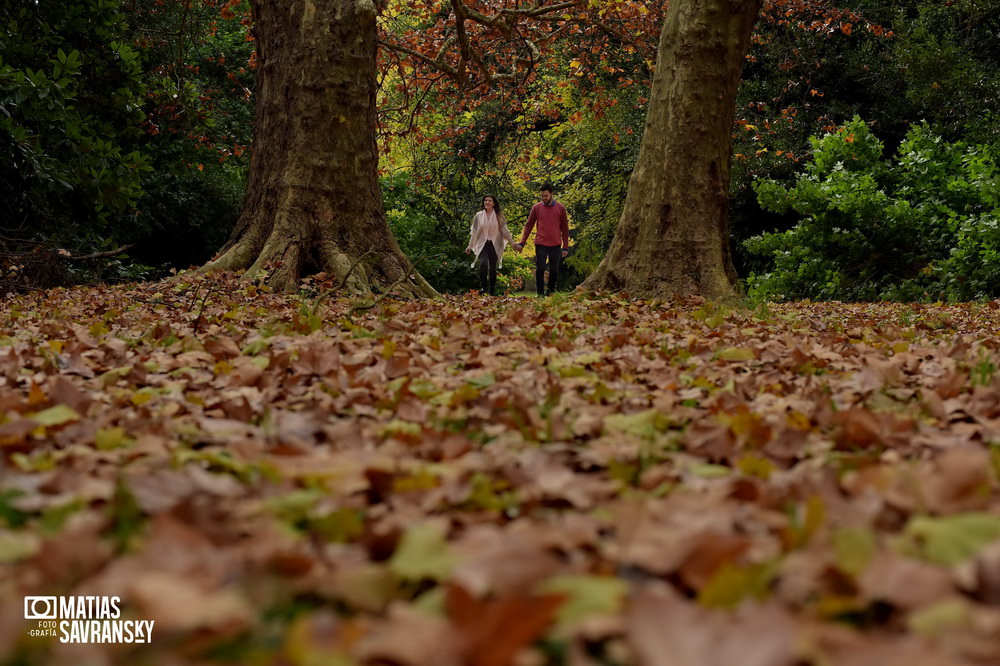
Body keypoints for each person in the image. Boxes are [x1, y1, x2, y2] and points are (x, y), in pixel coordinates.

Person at [512, 183, 569, 297]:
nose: (544, 198)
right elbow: (529, 225)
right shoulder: (536, 207)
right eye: (542, 196)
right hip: (541, 243)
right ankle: (540, 293)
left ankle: (551, 291)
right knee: (540, 268)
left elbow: (564, 228)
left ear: (552, 194)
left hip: (556, 244)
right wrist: (522, 242)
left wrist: (565, 247)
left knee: (553, 270)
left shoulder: (561, 208)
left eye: (546, 196)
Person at [465, 194, 513, 295]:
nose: (487, 202)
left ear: (494, 203)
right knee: (483, 263)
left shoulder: (499, 216)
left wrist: (512, 243)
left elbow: (505, 231)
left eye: (490, 200)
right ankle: (483, 287)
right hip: (483, 244)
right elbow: (474, 232)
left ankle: (491, 289)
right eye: (485, 200)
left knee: (492, 267)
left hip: (495, 244)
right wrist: (470, 245)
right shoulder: (478, 216)